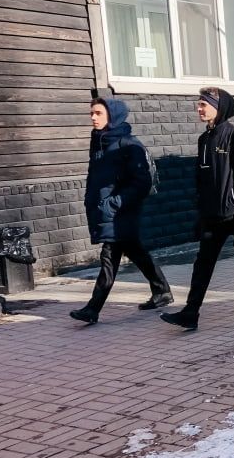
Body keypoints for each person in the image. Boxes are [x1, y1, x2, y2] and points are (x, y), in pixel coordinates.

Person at [160, 87, 234, 330]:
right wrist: (202, 208)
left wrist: (232, 200)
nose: (199, 109)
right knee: (203, 263)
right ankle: (190, 312)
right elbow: (202, 179)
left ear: (219, 107)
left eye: (204, 104)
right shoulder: (204, 140)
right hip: (212, 216)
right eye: (199, 104)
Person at [69, 96, 171, 324]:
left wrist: (113, 203)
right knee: (135, 251)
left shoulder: (129, 144)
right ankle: (162, 290)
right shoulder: (99, 141)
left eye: (98, 113)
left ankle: (93, 309)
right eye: (91, 114)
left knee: (109, 256)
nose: (93, 118)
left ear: (112, 116)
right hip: (106, 209)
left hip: (122, 210)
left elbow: (141, 182)